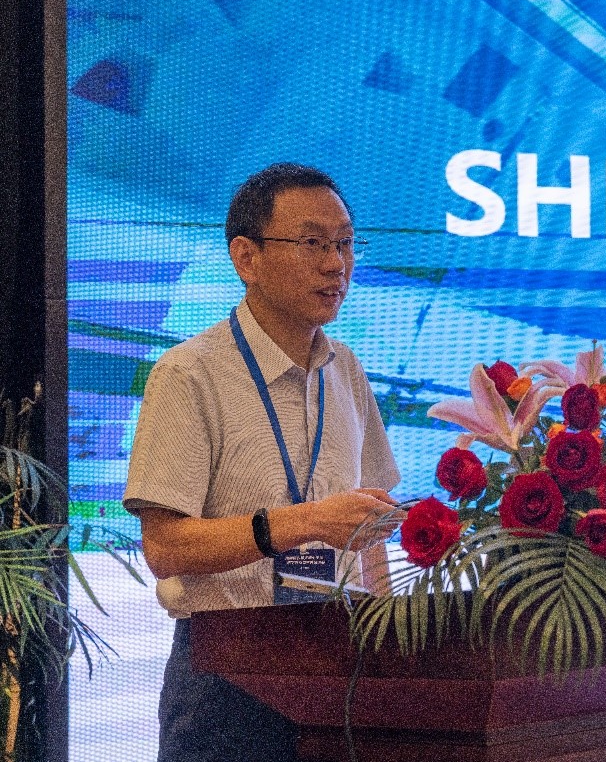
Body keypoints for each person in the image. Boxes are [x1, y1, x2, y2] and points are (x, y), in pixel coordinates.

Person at [122, 163, 402, 762]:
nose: (336, 264)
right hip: (227, 675)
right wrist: (301, 523)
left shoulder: (346, 370)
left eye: (345, 243)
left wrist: (387, 649)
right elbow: (165, 546)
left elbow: (371, 532)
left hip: (342, 661)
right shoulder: (189, 374)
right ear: (246, 257)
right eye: (312, 243)